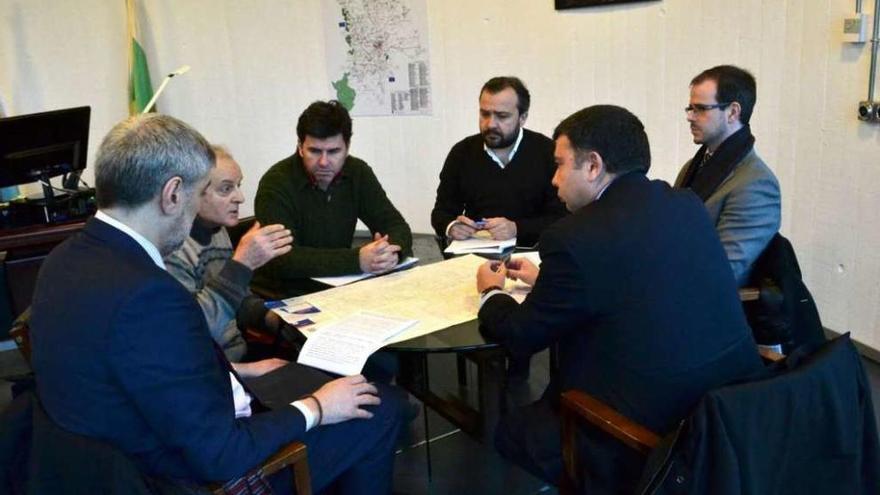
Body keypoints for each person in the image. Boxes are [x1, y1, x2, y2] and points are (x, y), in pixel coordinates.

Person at [29, 114, 403, 494]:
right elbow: (221, 454)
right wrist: (317, 407)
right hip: (178, 478)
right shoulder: (150, 296)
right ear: (173, 194)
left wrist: (240, 372)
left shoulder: (63, 259)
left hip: (104, 462)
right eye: (197, 195)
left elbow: (144, 377)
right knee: (382, 407)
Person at [475, 105, 763, 493]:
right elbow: (638, 280)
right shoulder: (685, 205)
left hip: (652, 436)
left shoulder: (574, 237)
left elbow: (521, 336)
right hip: (734, 413)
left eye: (560, 165)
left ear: (593, 166)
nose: (555, 180)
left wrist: (490, 291)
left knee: (510, 432)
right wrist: (551, 280)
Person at [253, 100, 413, 298]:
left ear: (347, 147)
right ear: (300, 147)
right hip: (286, 292)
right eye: (314, 151)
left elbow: (395, 225)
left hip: (340, 285)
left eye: (334, 151)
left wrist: (390, 254)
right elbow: (283, 259)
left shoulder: (358, 172)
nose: (324, 162)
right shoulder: (276, 182)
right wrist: (357, 260)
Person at [165, 145, 293, 363]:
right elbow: (195, 331)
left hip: (236, 357)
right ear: (192, 193)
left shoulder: (217, 229)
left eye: (238, 186)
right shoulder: (171, 250)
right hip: (211, 371)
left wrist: (275, 319)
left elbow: (237, 301)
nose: (240, 198)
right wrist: (241, 264)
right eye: (226, 189)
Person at [674, 65, 781, 286]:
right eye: (690, 108)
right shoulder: (692, 167)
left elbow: (723, 271)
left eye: (701, 109)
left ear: (733, 112)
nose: (690, 117)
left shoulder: (756, 184)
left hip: (707, 305)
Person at [431, 76, 565, 247]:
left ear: (522, 117)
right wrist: (452, 226)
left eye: (502, 116)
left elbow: (562, 216)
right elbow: (441, 211)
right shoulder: (462, 152)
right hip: (474, 253)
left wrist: (516, 228)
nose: (490, 124)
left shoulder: (548, 152)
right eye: (484, 114)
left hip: (532, 252)